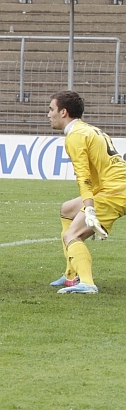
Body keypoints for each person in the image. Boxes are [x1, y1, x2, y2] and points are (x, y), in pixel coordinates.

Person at [48, 90, 126, 293]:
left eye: (51, 109)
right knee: (67, 210)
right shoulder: (90, 130)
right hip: (116, 187)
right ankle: (71, 275)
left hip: (114, 192)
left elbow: (83, 177)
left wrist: (90, 209)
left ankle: (87, 283)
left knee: (72, 235)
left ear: (63, 112)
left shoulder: (75, 136)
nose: (48, 114)